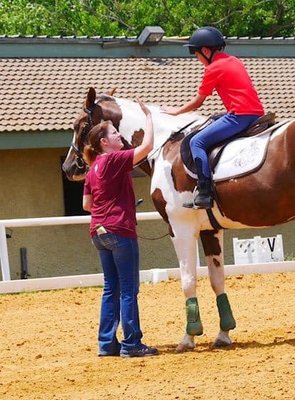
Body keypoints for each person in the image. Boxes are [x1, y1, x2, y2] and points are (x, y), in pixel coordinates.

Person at [82, 98, 158, 358]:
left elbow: (86, 204)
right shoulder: (114, 160)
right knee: (128, 289)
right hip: (119, 231)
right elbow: (146, 146)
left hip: (98, 231)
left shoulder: (93, 168)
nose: (119, 135)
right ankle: (132, 343)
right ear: (104, 142)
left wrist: (110, 208)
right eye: (114, 133)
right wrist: (149, 117)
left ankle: (106, 344)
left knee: (110, 288)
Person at [161, 26, 264, 209]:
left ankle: (205, 192)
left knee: (196, 142)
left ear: (206, 51)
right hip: (255, 113)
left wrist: (176, 111)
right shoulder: (234, 60)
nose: (198, 59)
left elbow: (198, 102)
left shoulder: (213, 68)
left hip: (239, 116)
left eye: (196, 54)